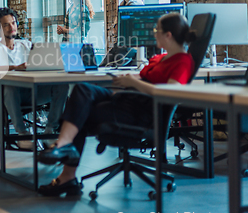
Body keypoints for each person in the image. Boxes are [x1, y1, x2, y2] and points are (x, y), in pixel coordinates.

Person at [37, 13, 195, 196]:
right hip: (128, 100)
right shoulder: (161, 58)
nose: (154, 34)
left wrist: (134, 83)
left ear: (168, 35)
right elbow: (146, 78)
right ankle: (64, 151)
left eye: (156, 30)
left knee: (81, 110)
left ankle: (66, 171)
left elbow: (169, 93)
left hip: (141, 112)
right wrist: (128, 80)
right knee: (82, 90)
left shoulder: (183, 61)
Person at [0, 7, 68, 149]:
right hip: (5, 93)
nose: (11, 27)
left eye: (13, 23)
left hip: (30, 90)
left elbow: (42, 61)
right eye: (6, 24)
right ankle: (22, 134)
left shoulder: (26, 45)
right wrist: (15, 68)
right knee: (9, 86)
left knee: (61, 85)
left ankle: (50, 131)